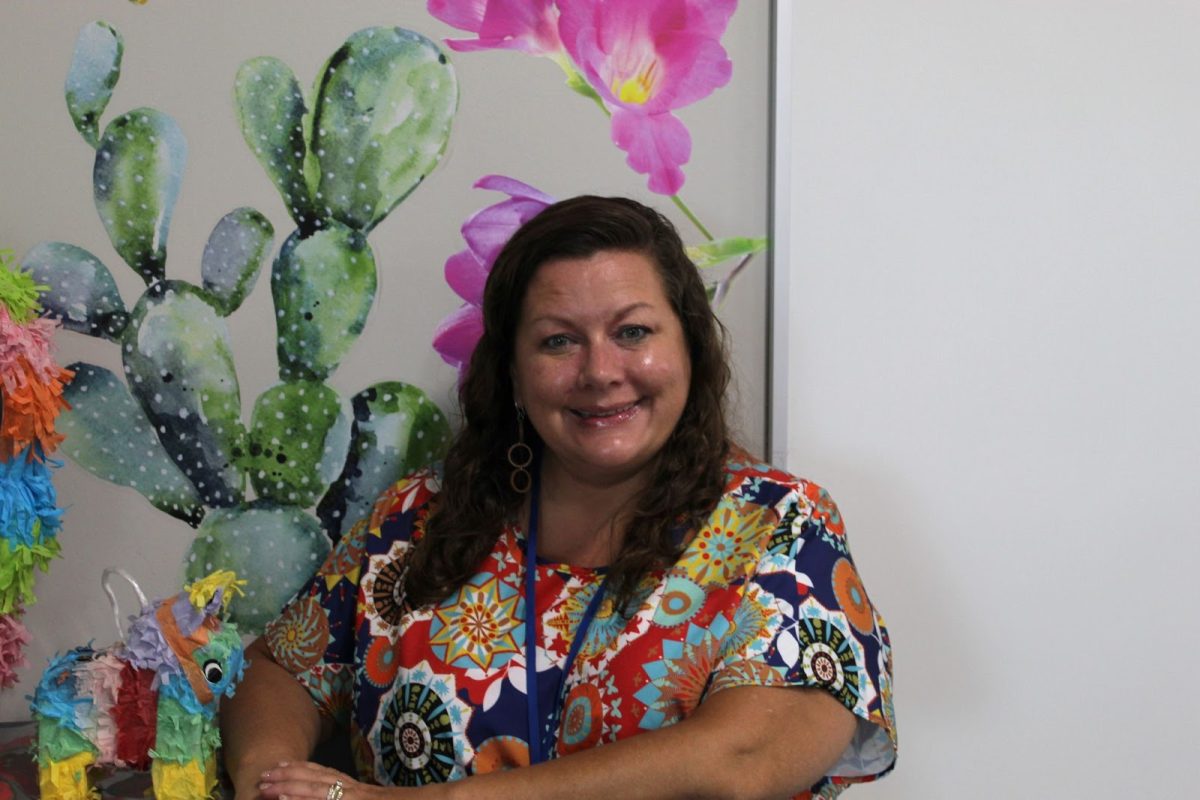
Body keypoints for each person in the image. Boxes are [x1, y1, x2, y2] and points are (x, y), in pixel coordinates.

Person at [221, 196, 897, 799]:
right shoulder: (416, 517)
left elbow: (743, 759)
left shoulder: (778, 526)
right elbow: (282, 668)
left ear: (690, 346)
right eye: (558, 341)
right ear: (513, 374)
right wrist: (271, 778)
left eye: (633, 332)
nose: (601, 372)